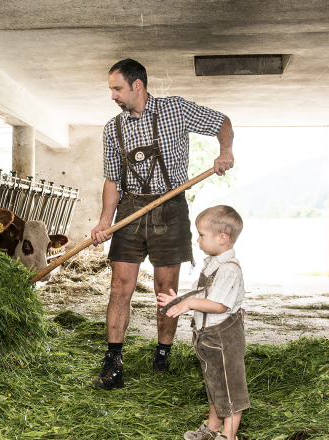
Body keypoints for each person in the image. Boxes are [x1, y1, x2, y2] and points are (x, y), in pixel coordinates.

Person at [91, 58, 234, 390]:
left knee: (164, 291)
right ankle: (113, 360)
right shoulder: (112, 129)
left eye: (117, 88)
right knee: (119, 287)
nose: (113, 95)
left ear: (137, 85)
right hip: (129, 209)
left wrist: (225, 150)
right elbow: (113, 180)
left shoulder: (176, 110)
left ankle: (162, 354)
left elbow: (221, 122)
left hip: (169, 208)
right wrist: (104, 222)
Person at [157, 205, 248, 440]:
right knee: (214, 384)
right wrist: (180, 299)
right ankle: (212, 427)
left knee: (230, 388)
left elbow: (219, 305)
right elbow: (204, 295)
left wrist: (188, 305)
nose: (197, 240)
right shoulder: (213, 263)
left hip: (224, 337)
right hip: (208, 337)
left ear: (222, 238)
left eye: (201, 235)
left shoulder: (229, 269)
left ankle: (228, 435)